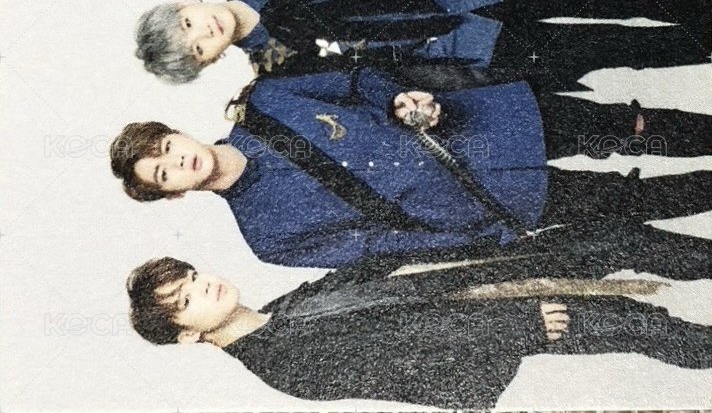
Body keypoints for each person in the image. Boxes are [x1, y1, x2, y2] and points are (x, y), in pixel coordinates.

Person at [109, 66, 712, 266]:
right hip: (487, 203)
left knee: (631, 126)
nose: (177, 160)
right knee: (631, 201)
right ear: (174, 195)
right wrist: (480, 236)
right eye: (163, 173)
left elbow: (356, 81)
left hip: (480, 124)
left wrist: (398, 98)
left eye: (166, 146)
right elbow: (381, 249)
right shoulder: (269, 239)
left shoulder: (268, 99)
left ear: (175, 131)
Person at [125, 232, 712, 408]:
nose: (204, 285)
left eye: (192, 276)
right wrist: (520, 327)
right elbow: (407, 351)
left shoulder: (278, 312)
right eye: (186, 299)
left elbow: (369, 270)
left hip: (485, 293)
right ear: (189, 335)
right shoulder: (280, 362)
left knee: (623, 265)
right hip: (503, 329)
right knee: (646, 328)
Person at [132, 0, 712, 91]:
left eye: (189, 21)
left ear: (188, 0)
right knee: (622, 46)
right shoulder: (277, 69)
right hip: (470, 49)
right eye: (198, 47)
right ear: (209, 61)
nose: (206, 30)